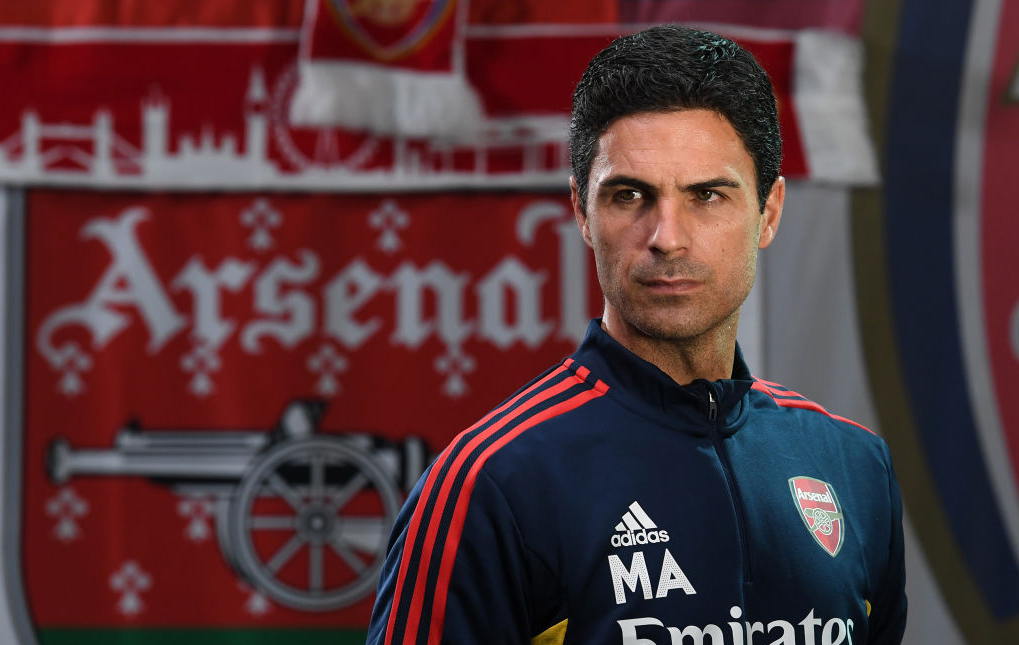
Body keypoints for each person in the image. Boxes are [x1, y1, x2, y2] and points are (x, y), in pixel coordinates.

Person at [366, 24, 907, 645]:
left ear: (769, 212)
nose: (666, 237)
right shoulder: (489, 484)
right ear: (581, 213)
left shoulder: (854, 466)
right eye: (630, 195)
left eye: (707, 195)